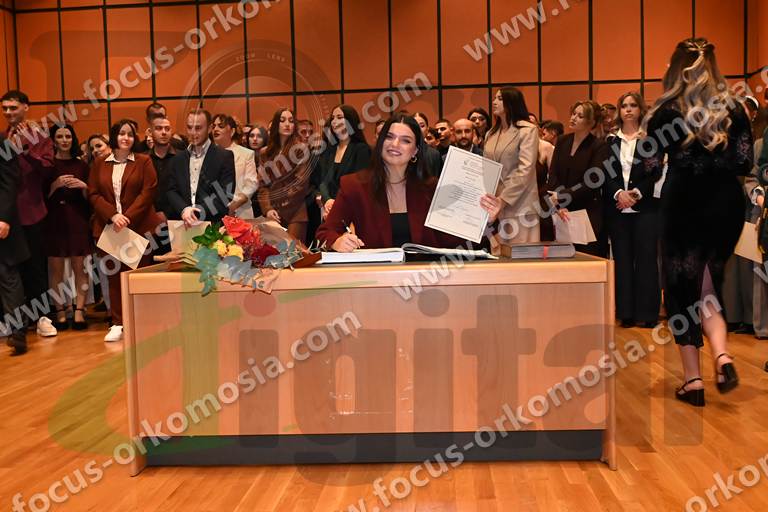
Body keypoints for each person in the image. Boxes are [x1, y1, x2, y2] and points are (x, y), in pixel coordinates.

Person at [642, 38, 754, 405]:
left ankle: (693, 381)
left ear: (676, 68)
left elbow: (650, 166)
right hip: (725, 203)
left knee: (681, 289)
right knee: (709, 281)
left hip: (684, 201)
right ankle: (722, 355)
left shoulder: (665, 111)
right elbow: (744, 162)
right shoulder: (734, 108)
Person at [316, 113, 462, 251]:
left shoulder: (432, 189)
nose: (395, 144)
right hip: (376, 269)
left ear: (415, 151)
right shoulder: (354, 186)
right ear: (381, 142)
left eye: (405, 140)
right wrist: (337, 241)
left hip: (423, 268)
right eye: (389, 137)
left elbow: (454, 241)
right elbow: (325, 233)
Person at [88, 120, 162, 342]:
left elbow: (148, 192)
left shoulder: (143, 161)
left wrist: (127, 216)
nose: (126, 138)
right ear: (114, 136)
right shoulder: (100, 163)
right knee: (114, 278)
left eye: (130, 134)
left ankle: (143, 322)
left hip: (138, 226)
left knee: (139, 277)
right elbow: (93, 194)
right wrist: (113, 215)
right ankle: (118, 323)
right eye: (121, 133)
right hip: (111, 228)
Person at [1, 90, 57, 338]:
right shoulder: (2, 137)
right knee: (10, 269)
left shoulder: (39, 135)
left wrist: (24, 150)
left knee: (36, 268)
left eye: (13, 107)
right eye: (4, 108)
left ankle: (42, 317)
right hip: (7, 214)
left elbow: (48, 169)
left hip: (32, 210)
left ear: (26, 107)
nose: (8, 112)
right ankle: (15, 322)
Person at [604, 92, 662, 329]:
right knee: (623, 261)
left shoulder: (650, 139)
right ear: (619, 111)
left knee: (647, 261)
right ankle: (626, 313)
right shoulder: (610, 141)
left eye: (633, 105)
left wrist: (635, 195)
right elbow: (605, 174)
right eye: (624, 106)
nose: (628, 109)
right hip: (617, 208)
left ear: (640, 110)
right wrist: (620, 194)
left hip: (646, 208)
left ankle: (648, 314)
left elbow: (655, 172)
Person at [547, 100, 609, 256]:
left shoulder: (599, 146)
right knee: (564, 260)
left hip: (587, 212)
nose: (573, 118)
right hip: (562, 210)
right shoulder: (562, 141)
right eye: (574, 113)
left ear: (591, 122)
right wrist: (560, 203)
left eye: (580, 116)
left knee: (587, 259)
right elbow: (553, 174)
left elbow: (593, 182)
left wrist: (562, 196)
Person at [481, 87, 540, 248]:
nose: (494, 102)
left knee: (522, 257)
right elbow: (486, 170)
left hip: (521, 206)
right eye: (495, 98)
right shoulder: (491, 134)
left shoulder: (527, 130)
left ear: (511, 102)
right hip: (495, 207)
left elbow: (525, 170)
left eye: (500, 99)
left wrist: (503, 200)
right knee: (498, 256)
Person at [45, 124, 91, 331]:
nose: (64, 140)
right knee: (56, 269)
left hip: (77, 218)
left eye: (68, 136)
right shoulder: (48, 164)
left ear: (73, 139)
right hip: (54, 219)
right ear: (53, 140)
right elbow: (40, 198)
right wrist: (55, 185)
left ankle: (79, 311)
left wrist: (84, 187)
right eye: (60, 136)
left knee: (79, 266)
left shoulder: (81, 165)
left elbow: (92, 197)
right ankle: (60, 311)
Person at [166, 109, 235, 226]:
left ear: (209, 128)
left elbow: (225, 194)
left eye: (198, 128)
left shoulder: (224, 156)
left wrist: (196, 211)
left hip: (212, 224)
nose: (193, 132)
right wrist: (184, 209)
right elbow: (171, 190)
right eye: (189, 127)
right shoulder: (178, 158)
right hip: (182, 223)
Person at [257, 108, 312, 242]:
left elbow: (300, 183)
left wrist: (280, 204)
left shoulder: (301, 149)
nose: (287, 124)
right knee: (273, 253)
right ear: (276, 124)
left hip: (295, 212)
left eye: (291, 121)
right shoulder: (265, 152)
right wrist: (268, 209)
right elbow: (262, 185)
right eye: (282, 120)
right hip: (272, 212)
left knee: (293, 252)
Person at [312, 105, 371, 221]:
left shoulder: (361, 149)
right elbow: (323, 181)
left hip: (353, 211)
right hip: (329, 209)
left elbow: (360, 184)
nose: (334, 121)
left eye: (339, 117)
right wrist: (328, 200)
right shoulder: (329, 150)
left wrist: (337, 204)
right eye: (333, 118)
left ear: (350, 121)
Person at [0, 136, 30, 355]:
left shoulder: (1, 142)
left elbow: (9, 181)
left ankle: (18, 331)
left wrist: (4, 218)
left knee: (6, 273)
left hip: (1, 223)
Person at [211, 113, 258, 219]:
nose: (215, 129)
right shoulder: (207, 155)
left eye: (221, 126)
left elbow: (251, 184)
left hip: (241, 213)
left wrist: (233, 205)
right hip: (213, 213)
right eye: (213, 126)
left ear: (232, 131)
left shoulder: (246, 154)